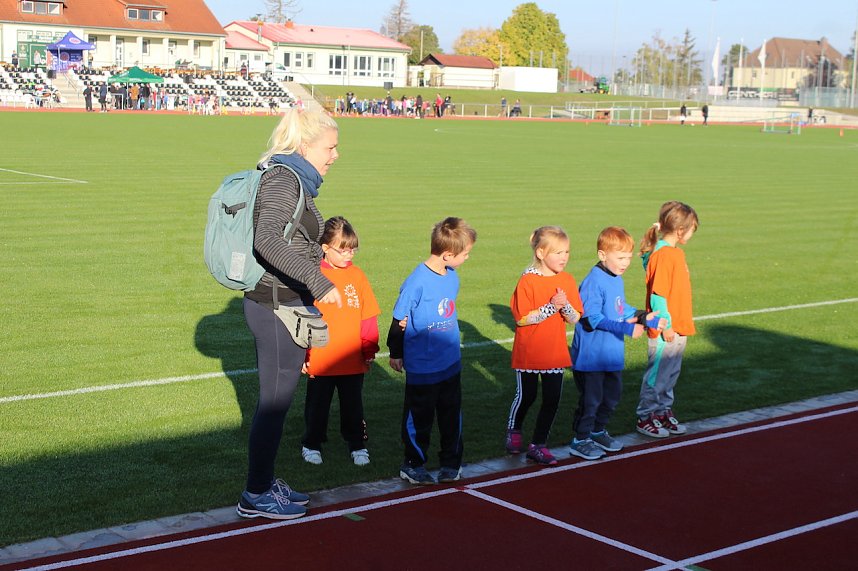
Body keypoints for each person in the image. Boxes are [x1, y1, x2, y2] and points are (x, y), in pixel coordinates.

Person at [236, 109, 343, 520]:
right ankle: (256, 495)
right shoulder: (284, 179)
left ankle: (263, 482)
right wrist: (318, 282)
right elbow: (267, 241)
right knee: (274, 404)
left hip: (284, 302)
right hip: (275, 304)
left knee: (277, 402)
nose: (334, 155)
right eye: (329, 147)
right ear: (305, 146)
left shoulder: (293, 178)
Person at [387, 217, 477, 485]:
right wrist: (396, 352)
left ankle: (452, 462)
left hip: (450, 363)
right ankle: (413, 464)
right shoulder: (416, 282)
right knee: (419, 418)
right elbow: (398, 319)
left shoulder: (453, 277)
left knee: (451, 416)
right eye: (466, 254)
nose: (467, 258)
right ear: (448, 254)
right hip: (422, 366)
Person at [569, 227, 666, 460]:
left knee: (612, 396)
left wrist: (643, 316)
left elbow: (621, 309)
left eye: (629, 257)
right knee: (591, 400)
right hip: (592, 357)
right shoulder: (594, 281)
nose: (625, 263)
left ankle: (598, 431)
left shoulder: (616, 278)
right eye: (620, 257)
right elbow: (592, 319)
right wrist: (627, 328)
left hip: (612, 354)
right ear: (603, 255)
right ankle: (580, 439)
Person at [301, 216, 381, 467]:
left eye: (353, 249)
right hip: (321, 359)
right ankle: (311, 444)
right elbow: (302, 318)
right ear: (325, 248)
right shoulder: (312, 274)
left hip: (352, 358)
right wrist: (303, 355)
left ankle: (358, 444)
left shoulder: (358, 276)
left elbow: (368, 316)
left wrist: (369, 347)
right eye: (343, 250)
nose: (349, 255)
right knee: (317, 407)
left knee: (353, 407)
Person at [505, 226, 583, 465]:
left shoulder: (567, 280)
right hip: (529, 351)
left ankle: (538, 444)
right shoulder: (527, 281)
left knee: (552, 400)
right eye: (558, 252)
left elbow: (575, 317)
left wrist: (565, 305)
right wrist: (552, 307)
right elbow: (522, 318)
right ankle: (514, 429)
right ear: (540, 253)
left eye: (566, 252)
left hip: (555, 352)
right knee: (526, 396)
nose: (564, 257)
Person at [635, 201, 700, 438]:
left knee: (671, 373)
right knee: (657, 374)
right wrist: (667, 326)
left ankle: (662, 411)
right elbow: (658, 294)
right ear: (681, 230)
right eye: (693, 228)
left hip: (679, 326)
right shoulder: (664, 255)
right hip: (666, 330)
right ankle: (646, 416)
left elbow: (646, 264)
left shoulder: (671, 252)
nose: (693, 234)